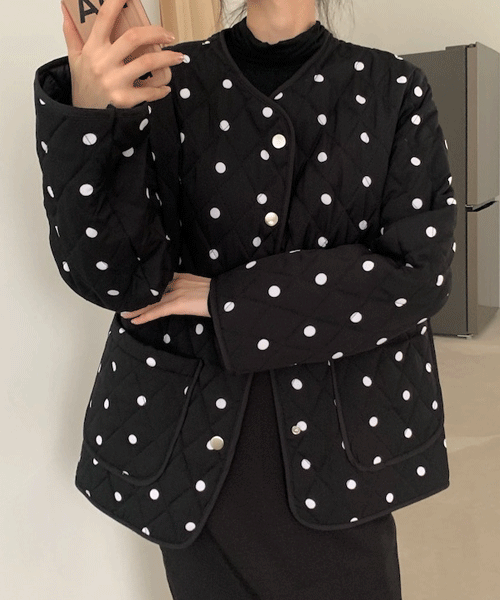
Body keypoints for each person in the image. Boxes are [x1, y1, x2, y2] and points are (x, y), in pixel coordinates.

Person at [34, 0, 457, 598]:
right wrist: (89, 119)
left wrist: (229, 300)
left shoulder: (395, 88)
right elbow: (116, 279)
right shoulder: (167, 82)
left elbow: (418, 273)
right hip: (192, 441)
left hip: (341, 437)